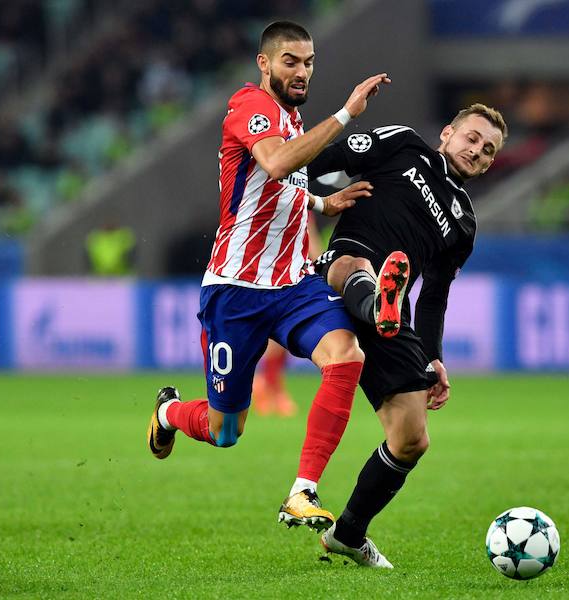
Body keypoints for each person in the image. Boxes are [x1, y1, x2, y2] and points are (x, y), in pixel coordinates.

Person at [145, 20, 390, 532]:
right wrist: (347, 112)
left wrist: (322, 203)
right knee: (225, 431)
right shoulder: (249, 105)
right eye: (290, 61)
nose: (302, 72)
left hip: (292, 285)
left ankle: (303, 491)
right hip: (236, 290)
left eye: (309, 63)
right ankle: (169, 413)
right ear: (265, 63)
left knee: (346, 356)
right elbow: (276, 165)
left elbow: (277, 186)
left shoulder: (292, 121)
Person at [308, 103, 508, 567]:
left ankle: (348, 534)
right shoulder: (405, 144)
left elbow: (435, 296)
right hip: (345, 265)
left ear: (490, 164)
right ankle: (375, 301)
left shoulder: (464, 224)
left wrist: (434, 357)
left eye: (488, 150)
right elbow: (323, 161)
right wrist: (318, 200)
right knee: (355, 265)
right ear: (448, 133)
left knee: (411, 438)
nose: (477, 151)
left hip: (395, 315)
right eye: (472, 138)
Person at [251, 215, 325, 416]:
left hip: (270, 273)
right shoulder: (298, 203)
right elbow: (311, 239)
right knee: (278, 336)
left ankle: (268, 385)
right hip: (283, 276)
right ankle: (270, 387)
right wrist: (322, 265)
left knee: (279, 337)